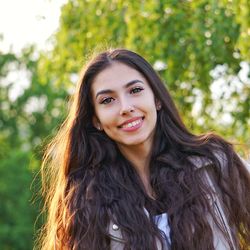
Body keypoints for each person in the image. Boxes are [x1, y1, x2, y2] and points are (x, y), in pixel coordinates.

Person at [39, 49, 250, 250]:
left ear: (156, 99)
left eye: (135, 90)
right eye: (107, 100)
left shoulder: (213, 162)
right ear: (96, 120)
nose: (126, 107)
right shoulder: (86, 200)